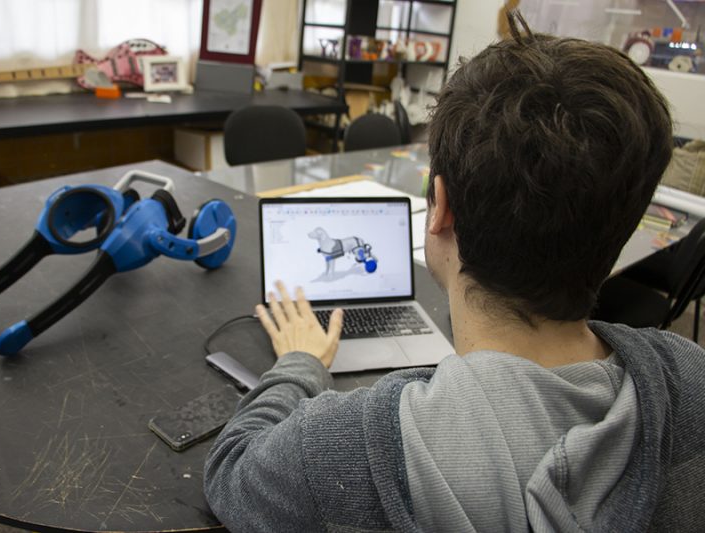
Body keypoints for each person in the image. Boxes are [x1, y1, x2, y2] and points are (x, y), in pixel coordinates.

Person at [204, 11, 705, 532]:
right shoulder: (690, 381)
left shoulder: (347, 451)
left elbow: (232, 472)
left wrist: (301, 362)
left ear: (439, 207)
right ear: (626, 221)